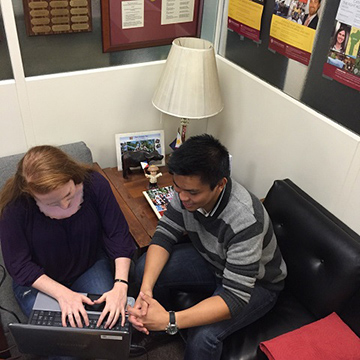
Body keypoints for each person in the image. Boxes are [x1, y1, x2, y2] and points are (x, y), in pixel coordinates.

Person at [128, 134, 287, 360]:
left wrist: (170, 320)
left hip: (257, 285)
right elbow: (164, 234)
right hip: (214, 262)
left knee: (203, 337)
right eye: (177, 187)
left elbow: (234, 297)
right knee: (145, 268)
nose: (182, 198)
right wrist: (146, 291)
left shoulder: (246, 219)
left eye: (193, 193)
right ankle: (157, 329)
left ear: (220, 184)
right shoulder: (184, 189)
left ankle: (163, 323)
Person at [0, 146, 136, 329]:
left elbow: (117, 234)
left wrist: (120, 285)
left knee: (107, 325)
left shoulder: (95, 185)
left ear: (73, 176)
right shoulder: (15, 207)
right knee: (64, 339)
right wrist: (62, 294)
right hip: (38, 280)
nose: (64, 207)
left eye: (69, 195)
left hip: (88, 265)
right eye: (52, 203)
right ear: (31, 195)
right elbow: (19, 265)